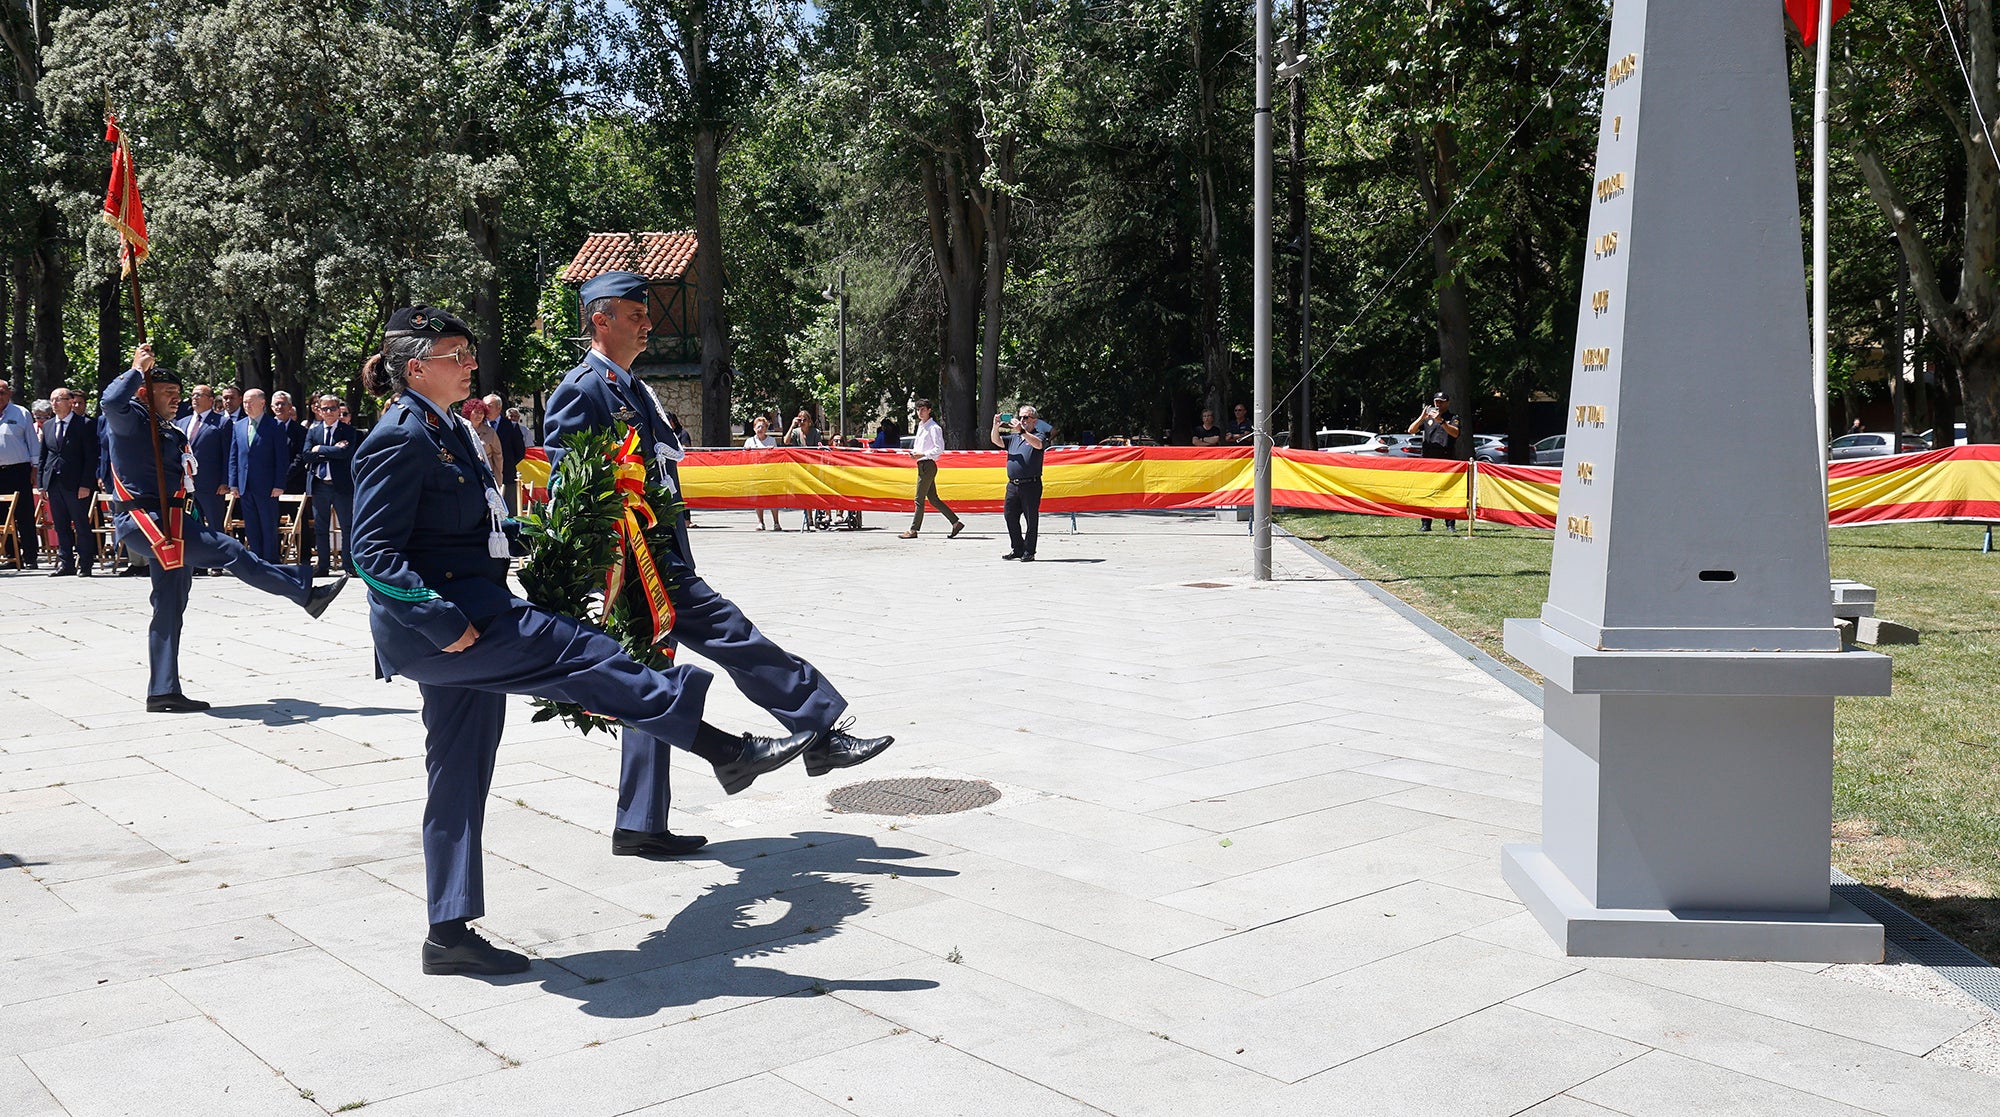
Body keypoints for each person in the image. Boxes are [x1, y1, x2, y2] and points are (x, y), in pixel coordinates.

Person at [353, 306, 824, 976]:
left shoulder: (447, 427)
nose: (470, 364)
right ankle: (724, 748)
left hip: (471, 611)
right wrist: (439, 619)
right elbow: (371, 553)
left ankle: (447, 932)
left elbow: (462, 529)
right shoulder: (399, 435)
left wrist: (541, 539)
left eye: (468, 352)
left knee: (458, 771)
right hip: (448, 626)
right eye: (456, 354)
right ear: (415, 365)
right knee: (586, 652)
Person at [545, 274, 892, 859]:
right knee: (734, 635)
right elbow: (570, 487)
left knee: (647, 689)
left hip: (659, 556)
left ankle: (640, 823)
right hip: (639, 565)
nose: (648, 324)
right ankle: (822, 730)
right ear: (600, 320)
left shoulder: (629, 387)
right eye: (635, 314)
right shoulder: (584, 390)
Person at [102, 346, 346, 712]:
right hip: (150, 522)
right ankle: (305, 592)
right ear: (144, 392)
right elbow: (109, 401)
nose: (176, 400)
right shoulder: (131, 419)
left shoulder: (165, 427)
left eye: (178, 394)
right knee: (231, 551)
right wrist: (137, 368)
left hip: (174, 519)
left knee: (169, 604)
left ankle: (163, 690)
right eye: (167, 393)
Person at [36, 388, 100, 577]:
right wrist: (42, 484)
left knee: (81, 525)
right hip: (54, 482)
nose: (54, 403)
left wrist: (86, 484)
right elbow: (43, 457)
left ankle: (86, 563)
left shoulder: (85, 424)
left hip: (76, 483)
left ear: (70, 402)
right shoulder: (48, 426)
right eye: (52, 400)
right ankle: (65, 563)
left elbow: (91, 457)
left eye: (59, 399)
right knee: (61, 525)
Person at [302, 394, 358, 576]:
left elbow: (346, 453)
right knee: (320, 527)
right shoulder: (313, 430)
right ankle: (323, 565)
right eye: (325, 408)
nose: (329, 412)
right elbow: (306, 455)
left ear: (338, 409)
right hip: (320, 485)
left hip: (341, 485)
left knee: (347, 526)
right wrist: (332, 450)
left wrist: (320, 450)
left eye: (333, 408)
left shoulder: (348, 430)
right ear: (319, 410)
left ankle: (348, 565)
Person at [229, 388, 288, 560]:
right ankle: (256, 560)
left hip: (267, 485)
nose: (246, 405)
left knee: (267, 525)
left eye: (250, 402)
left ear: (262, 403)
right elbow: (234, 456)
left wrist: (279, 484)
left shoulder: (275, 426)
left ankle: (271, 560)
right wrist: (233, 483)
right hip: (244, 484)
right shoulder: (238, 426)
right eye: (245, 402)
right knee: (251, 525)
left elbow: (281, 458)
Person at [900, 398, 962, 540]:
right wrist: (915, 454)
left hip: (927, 464)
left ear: (929, 410)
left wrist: (922, 454)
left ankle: (914, 529)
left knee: (919, 499)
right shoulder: (921, 426)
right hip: (922, 464)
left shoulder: (934, 427)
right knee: (933, 499)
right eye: (918, 409)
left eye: (923, 409)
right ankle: (955, 522)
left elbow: (939, 449)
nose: (920, 412)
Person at [991, 404, 1046, 561]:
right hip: (1013, 485)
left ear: (1034, 421)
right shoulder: (1014, 437)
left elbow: (1039, 445)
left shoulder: (1038, 435)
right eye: (1020, 417)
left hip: (1031, 484)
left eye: (1026, 417)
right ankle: (1017, 548)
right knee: (1010, 515)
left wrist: (1022, 431)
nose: (1022, 420)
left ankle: (1030, 551)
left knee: (1031, 519)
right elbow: (997, 441)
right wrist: (996, 426)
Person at [0, 379, 42, 569]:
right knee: (1, 517)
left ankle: (30, 556)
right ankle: (10, 555)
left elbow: (33, 444)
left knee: (24, 515)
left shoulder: (21, 413)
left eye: (2, 392)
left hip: (19, 470)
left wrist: (35, 469)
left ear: (9, 393)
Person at [1409, 392, 1461, 532]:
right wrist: (1422, 417)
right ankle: (1426, 523)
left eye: (1442, 402)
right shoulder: (1427, 418)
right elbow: (1411, 430)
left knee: (1447, 492)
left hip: (1446, 459)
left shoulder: (1453, 418)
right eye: (1436, 401)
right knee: (1427, 492)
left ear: (1447, 403)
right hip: (1428, 460)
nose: (1438, 404)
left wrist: (1441, 421)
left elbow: (1455, 433)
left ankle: (1450, 524)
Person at [484, 394, 527, 515]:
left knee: (509, 512)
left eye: (489, 406)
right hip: (486, 476)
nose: (486, 409)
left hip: (507, 476)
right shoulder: (478, 426)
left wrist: (505, 465)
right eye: (484, 406)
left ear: (499, 408)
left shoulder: (511, 426)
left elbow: (519, 452)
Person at [743, 415, 784, 531]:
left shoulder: (771, 440)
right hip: (756, 473)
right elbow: (744, 456)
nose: (760, 429)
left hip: (769, 473)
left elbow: (776, 455)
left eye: (762, 426)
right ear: (754, 428)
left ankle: (776, 522)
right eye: (758, 426)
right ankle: (761, 522)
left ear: (766, 428)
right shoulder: (749, 441)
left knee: (772, 498)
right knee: (758, 498)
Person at [460, 397, 506, 482]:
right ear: (469, 412)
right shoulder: (460, 430)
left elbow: (498, 457)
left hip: (486, 475)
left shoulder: (490, 432)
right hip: (467, 476)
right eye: (476, 412)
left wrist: (498, 480)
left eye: (482, 413)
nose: (479, 415)